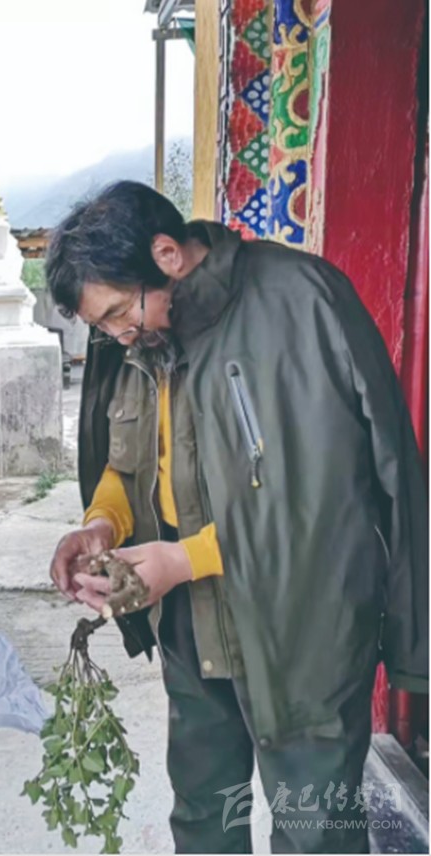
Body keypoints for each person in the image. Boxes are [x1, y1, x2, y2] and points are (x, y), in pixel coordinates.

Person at [45, 180, 428, 854]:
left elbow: (324, 498)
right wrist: (103, 523)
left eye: (116, 313)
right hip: (194, 627)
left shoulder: (299, 302)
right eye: (101, 325)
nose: (114, 334)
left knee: (315, 828)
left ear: (166, 254)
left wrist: (182, 559)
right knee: (204, 818)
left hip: (301, 627)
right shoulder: (146, 340)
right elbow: (130, 465)